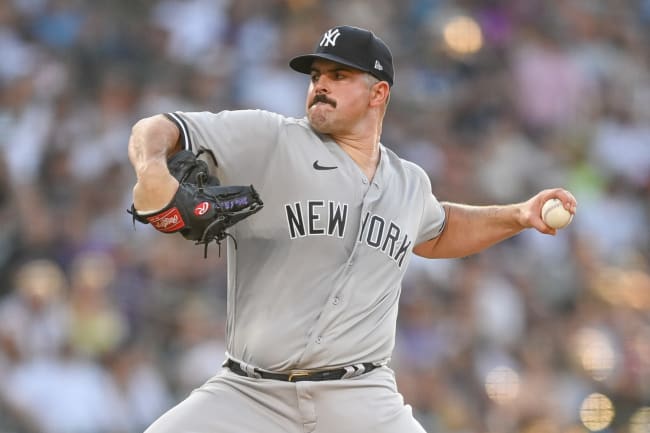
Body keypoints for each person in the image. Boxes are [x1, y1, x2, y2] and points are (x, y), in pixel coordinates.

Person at [127, 25, 577, 433]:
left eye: (339, 76)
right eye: (316, 75)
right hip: (250, 393)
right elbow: (159, 128)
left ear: (378, 92)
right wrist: (152, 171)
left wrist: (519, 214)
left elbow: (439, 231)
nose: (321, 84)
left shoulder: (408, 182)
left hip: (360, 397)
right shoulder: (271, 140)